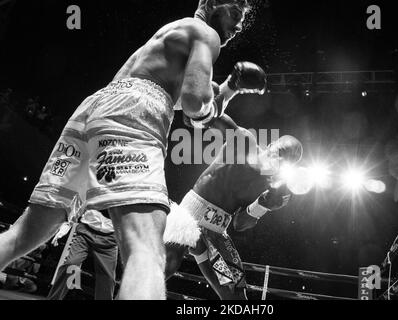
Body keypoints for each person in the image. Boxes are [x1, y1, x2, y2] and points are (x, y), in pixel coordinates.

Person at [0, 0, 267, 300]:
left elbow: (183, 103)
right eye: (236, 13)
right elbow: (195, 106)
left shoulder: (173, 34)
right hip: (135, 112)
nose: (240, 25)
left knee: (25, 234)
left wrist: (228, 89)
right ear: (213, 3)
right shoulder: (206, 34)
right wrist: (224, 92)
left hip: (96, 107)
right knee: (147, 252)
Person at [164, 115, 303, 300]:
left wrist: (262, 205)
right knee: (166, 266)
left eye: (286, 161)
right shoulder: (244, 140)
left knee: (235, 293)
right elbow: (212, 115)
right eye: (281, 151)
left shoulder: (268, 185)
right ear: (271, 145)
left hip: (218, 232)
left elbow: (239, 224)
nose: (279, 159)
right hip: (190, 215)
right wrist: (197, 113)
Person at [47, 209, 118, 300]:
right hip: (85, 232)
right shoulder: (90, 194)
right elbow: (77, 207)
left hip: (109, 239)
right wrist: (64, 229)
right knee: (70, 264)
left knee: (107, 277)